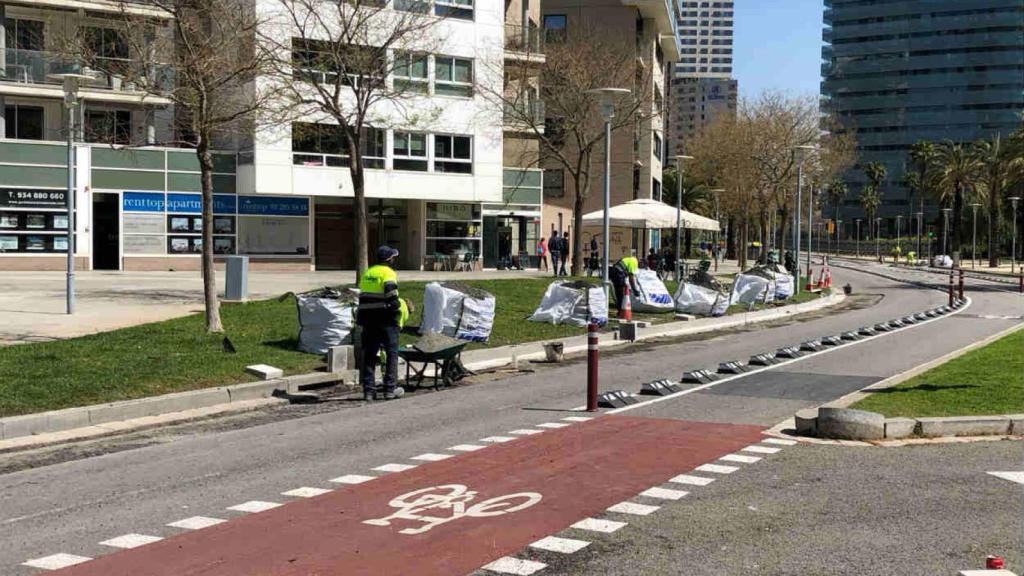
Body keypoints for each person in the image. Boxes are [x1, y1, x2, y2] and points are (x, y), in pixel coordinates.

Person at [357, 245, 409, 401]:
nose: (394, 260)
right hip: (385, 319)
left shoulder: (368, 273)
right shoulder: (388, 273)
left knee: (370, 355)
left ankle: (368, 391)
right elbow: (391, 296)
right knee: (391, 354)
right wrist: (398, 309)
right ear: (390, 259)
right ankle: (389, 390)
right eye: (393, 257)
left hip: (367, 320)